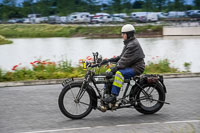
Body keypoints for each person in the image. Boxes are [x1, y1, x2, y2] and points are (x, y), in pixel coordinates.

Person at [101, 24, 145, 103]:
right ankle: (107, 94)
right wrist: (108, 60)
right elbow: (121, 57)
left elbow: (124, 61)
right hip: (130, 66)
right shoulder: (129, 43)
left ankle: (114, 96)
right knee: (108, 71)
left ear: (128, 34)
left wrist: (115, 69)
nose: (122, 35)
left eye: (123, 34)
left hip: (136, 67)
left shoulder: (132, 44)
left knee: (119, 73)